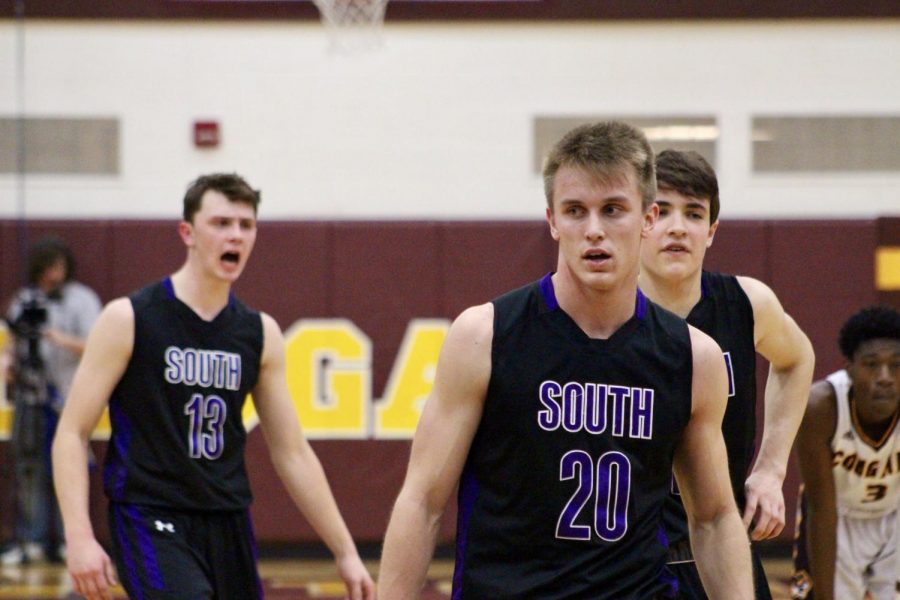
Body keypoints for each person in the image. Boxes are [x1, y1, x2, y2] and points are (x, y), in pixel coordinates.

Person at [379, 122, 753, 599]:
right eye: (576, 211)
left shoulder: (692, 357)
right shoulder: (485, 336)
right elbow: (423, 502)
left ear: (648, 218)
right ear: (553, 220)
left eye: (613, 209)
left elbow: (715, 516)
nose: (594, 230)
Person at [52, 174, 375, 600]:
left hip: (227, 519)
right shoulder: (129, 319)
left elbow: (292, 452)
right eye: (221, 223)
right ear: (187, 232)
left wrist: (345, 550)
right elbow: (71, 434)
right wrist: (79, 538)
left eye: (246, 225)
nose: (235, 235)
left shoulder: (259, 333)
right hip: (149, 514)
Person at [637, 149, 815, 599]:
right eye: (662, 211)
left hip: (722, 554)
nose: (678, 226)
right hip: (628, 564)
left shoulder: (746, 303)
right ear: (639, 222)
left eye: (694, 214)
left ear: (711, 231)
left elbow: (796, 359)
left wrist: (772, 470)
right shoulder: (602, 315)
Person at [1, 236, 102, 565]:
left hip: (69, 398)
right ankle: (32, 538)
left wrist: (60, 339)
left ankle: (68, 539)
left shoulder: (83, 300)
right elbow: (12, 341)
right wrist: (8, 362)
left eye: (58, 267)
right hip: (32, 396)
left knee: (68, 466)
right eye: (47, 267)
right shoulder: (25, 300)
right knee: (28, 467)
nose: (52, 274)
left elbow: (98, 346)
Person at [791, 306, 900, 600]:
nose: (885, 377)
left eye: (896, 365)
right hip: (834, 516)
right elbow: (821, 508)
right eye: (871, 364)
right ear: (849, 367)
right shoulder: (820, 407)